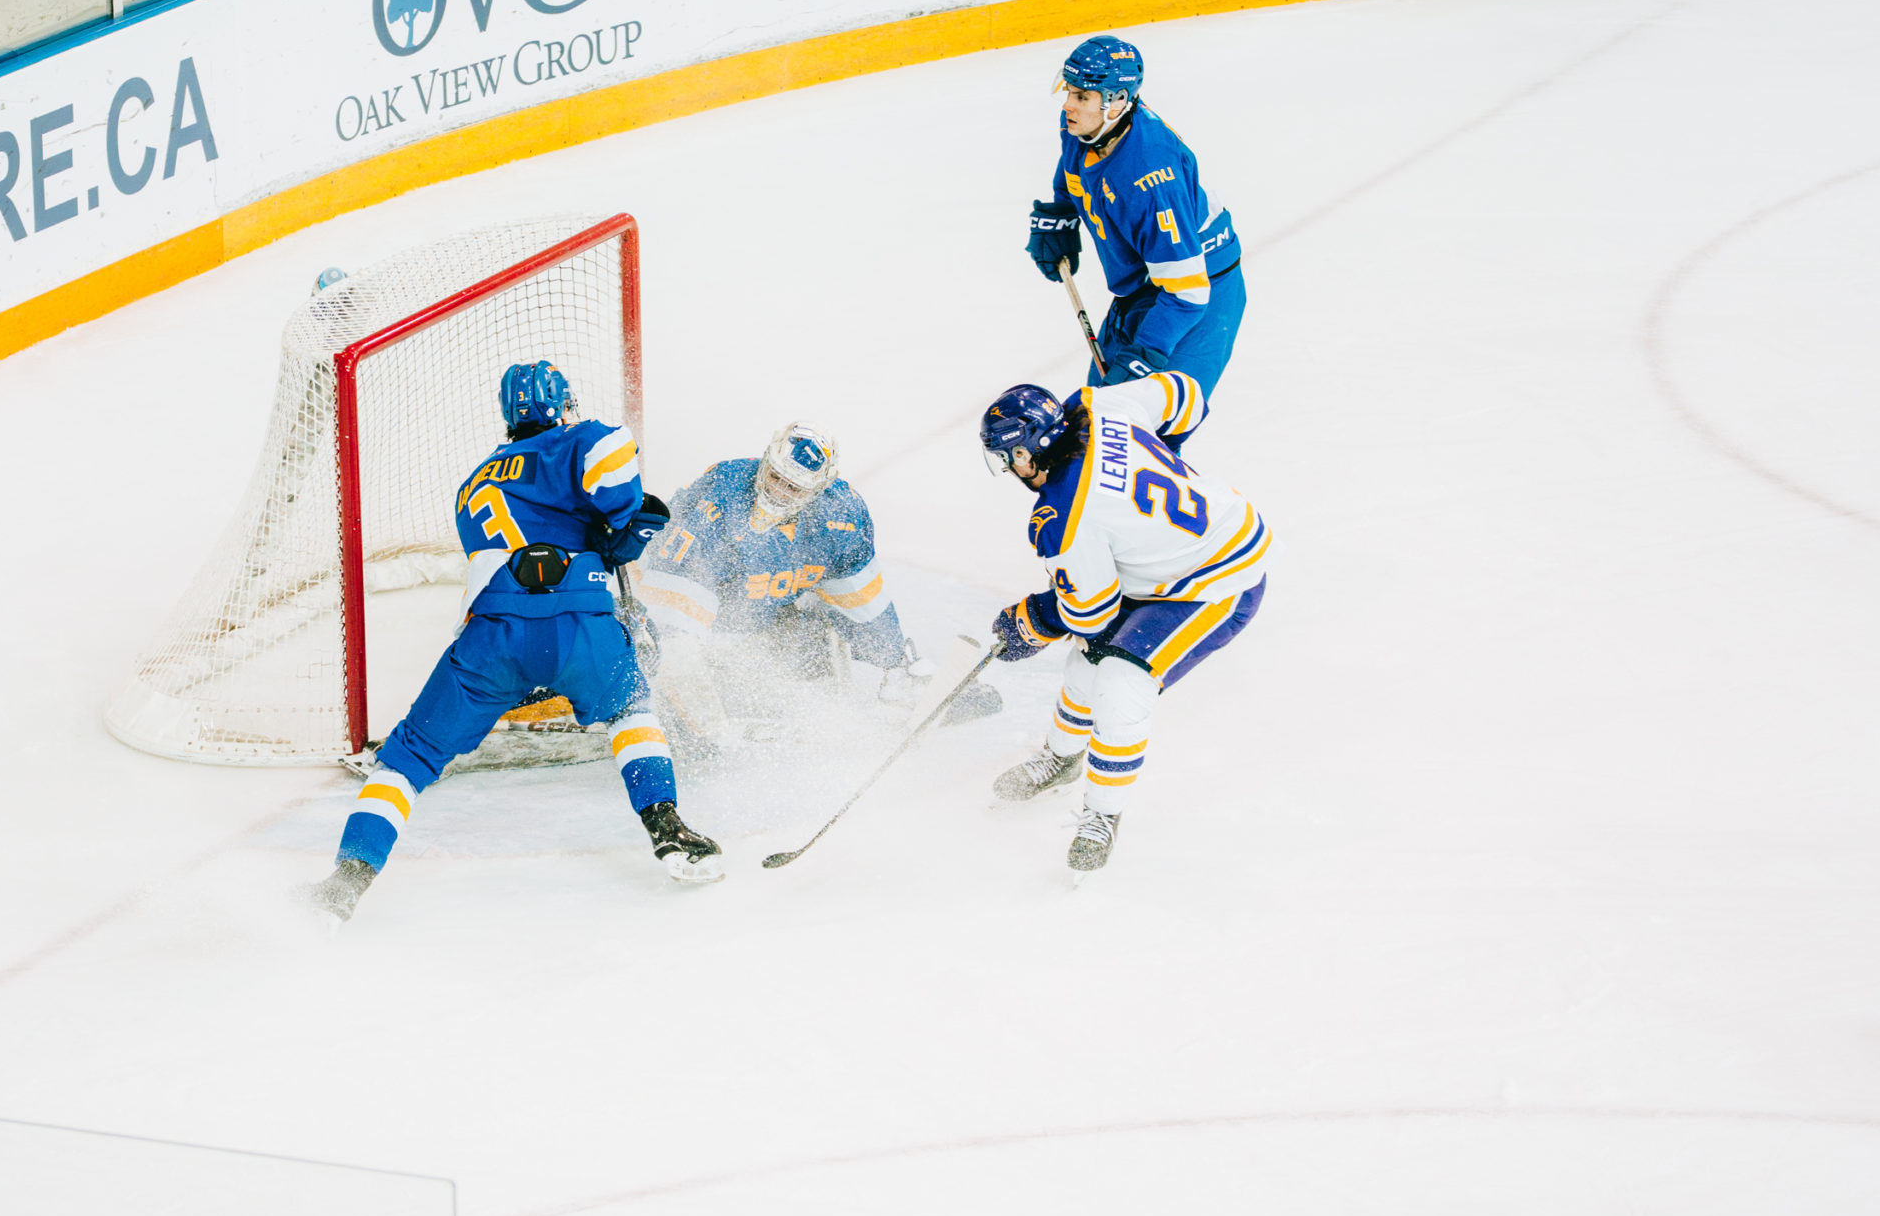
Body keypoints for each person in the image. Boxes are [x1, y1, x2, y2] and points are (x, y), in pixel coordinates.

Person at [312, 361, 724, 918]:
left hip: (492, 637)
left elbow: (524, 532)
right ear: (563, 405)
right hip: (580, 622)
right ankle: (667, 828)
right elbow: (613, 456)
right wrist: (625, 521)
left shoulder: (473, 485)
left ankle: (346, 880)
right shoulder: (579, 440)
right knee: (631, 709)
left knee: (407, 757)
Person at [978, 374, 1269, 873]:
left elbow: (1090, 613)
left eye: (1009, 458)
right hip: (1180, 552)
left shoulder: (1061, 516)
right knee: (1086, 664)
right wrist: (1147, 458)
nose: (1010, 470)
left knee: (1121, 680)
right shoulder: (1096, 404)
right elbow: (1186, 396)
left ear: (1027, 453)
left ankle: (1103, 814)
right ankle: (1063, 758)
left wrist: (1033, 620)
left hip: (1220, 581)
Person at [637, 422, 999, 746]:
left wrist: (893, 668)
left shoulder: (841, 515)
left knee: (811, 630)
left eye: (794, 488)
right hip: (696, 628)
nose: (779, 492)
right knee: (675, 684)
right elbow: (672, 632)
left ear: (819, 489)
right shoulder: (718, 499)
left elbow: (862, 605)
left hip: (766, 618)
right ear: (766, 462)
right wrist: (712, 729)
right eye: (776, 477)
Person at [1025, 35, 1246, 402]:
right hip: (1148, 285)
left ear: (1117, 102)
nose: (1068, 105)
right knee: (1094, 418)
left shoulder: (1151, 179)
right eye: (1070, 92)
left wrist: (1144, 356)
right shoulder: (1086, 127)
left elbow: (1187, 293)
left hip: (1199, 293)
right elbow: (1073, 168)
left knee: (1146, 430)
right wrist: (1063, 213)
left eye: (1081, 96)